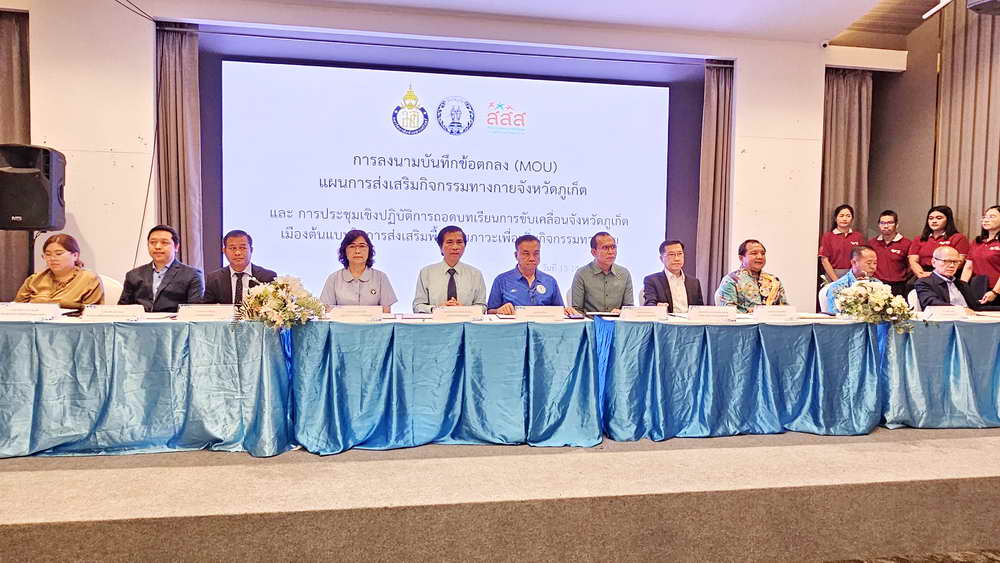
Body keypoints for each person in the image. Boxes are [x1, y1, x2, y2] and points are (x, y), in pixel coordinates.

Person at [119, 224, 204, 312]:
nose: (157, 247)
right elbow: (122, 309)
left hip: (174, 320)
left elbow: (194, 312)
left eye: (164, 242)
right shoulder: (133, 275)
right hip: (140, 320)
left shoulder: (192, 275)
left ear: (176, 247)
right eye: (153, 242)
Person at [488, 234, 575, 315]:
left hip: (543, 325)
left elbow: (560, 311)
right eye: (526, 254)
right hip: (514, 325)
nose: (532, 258)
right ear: (516, 255)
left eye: (536, 253)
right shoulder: (501, 280)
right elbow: (490, 312)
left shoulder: (550, 281)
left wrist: (567, 311)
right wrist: (499, 311)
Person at [412, 225, 487, 313]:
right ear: (440, 247)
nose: (455, 247)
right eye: (449, 242)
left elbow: (482, 307)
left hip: (466, 321)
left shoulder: (476, 274)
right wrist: (437, 309)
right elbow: (417, 306)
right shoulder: (426, 273)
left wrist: (464, 310)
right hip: (436, 321)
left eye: (459, 242)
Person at [14, 233, 104, 306]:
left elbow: (92, 315)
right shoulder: (34, 280)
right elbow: (17, 309)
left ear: (75, 255)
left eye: (59, 254)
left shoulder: (89, 280)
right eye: (48, 254)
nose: (52, 258)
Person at [320, 229, 397, 313]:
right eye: (352, 246)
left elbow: (386, 313)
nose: (357, 251)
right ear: (344, 251)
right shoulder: (333, 279)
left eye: (362, 246)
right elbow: (327, 312)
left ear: (369, 250)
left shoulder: (381, 278)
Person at [201, 230, 277, 305]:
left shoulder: (267, 277)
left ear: (251, 250)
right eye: (233, 248)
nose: (237, 253)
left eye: (242, 248)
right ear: (224, 251)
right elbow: (208, 309)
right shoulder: (214, 279)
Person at [715, 239, 788, 313]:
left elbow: (784, 309)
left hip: (771, 320)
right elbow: (728, 311)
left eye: (763, 253)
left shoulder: (774, 280)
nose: (760, 257)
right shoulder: (731, 280)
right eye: (754, 253)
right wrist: (752, 313)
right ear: (741, 258)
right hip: (744, 320)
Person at [570, 232, 634, 313]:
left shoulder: (624, 273)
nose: (611, 252)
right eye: (605, 248)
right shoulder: (582, 274)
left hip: (617, 320)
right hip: (591, 320)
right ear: (594, 252)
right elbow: (577, 310)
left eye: (613, 247)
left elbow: (629, 308)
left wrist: (622, 312)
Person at [908, 205, 970, 279]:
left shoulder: (959, 238)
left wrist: (935, 275)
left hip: (947, 274)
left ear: (948, 220)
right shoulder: (919, 239)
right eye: (931, 218)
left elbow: (959, 262)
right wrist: (920, 274)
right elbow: (913, 261)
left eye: (939, 218)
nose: (934, 221)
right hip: (923, 273)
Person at [642, 240, 703, 312]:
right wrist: (657, 307)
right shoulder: (652, 280)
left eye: (680, 254)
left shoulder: (694, 282)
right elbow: (649, 304)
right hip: (666, 319)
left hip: (689, 319)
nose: (677, 258)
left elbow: (700, 309)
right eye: (671, 254)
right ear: (661, 259)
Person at [914, 245, 982, 311]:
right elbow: (932, 304)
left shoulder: (962, 284)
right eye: (946, 261)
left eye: (955, 262)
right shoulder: (924, 283)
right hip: (945, 317)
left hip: (971, 317)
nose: (952, 265)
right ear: (933, 262)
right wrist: (960, 310)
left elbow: (976, 307)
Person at [960, 204, 1000, 305]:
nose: (986, 220)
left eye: (992, 217)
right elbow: (968, 267)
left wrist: (995, 292)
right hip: (978, 289)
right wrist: (962, 287)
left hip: (995, 291)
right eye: (985, 217)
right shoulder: (977, 241)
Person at [867, 210, 911, 297]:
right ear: (879, 225)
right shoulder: (871, 243)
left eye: (890, 223)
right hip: (876, 284)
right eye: (882, 223)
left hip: (898, 286)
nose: (886, 226)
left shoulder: (907, 243)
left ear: (896, 225)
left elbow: (910, 266)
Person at [826, 246, 880, 314]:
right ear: (854, 262)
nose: (873, 267)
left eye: (875, 263)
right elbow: (835, 316)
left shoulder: (877, 284)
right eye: (868, 263)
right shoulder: (838, 287)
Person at [819, 204, 866, 282]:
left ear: (852, 218)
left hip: (854, 275)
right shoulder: (828, 236)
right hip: (832, 274)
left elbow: (862, 258)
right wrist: (836, 281)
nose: (844, 219)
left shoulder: (858, 236)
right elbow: (824, 260)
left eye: (848, 216)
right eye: (841, 216)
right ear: (835, 218)